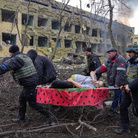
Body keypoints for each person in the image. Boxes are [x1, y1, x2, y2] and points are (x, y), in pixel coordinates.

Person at [0, 45, 54, 125]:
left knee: (32, 103)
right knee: (22, 98)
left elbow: (4, 67)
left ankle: (49, 116)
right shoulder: (24, 56)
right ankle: (21, 118)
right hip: (31, 82)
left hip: (29, 83)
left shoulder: (15, 59)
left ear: (11, 53)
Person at [91, 47, 127, 117]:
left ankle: (113, 109)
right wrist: (96, 71)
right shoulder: (109, 60)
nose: (108, 55)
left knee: (117, 95)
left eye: (110, 53)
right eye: (108, 53)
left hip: (120, 82)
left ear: (114, 52)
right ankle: (122, 106)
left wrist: (118, 83)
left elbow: (121, 73)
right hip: (112, 81)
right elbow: (103, 67)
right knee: (120, 95)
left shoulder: (120, 59)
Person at [114, 45, 138, 134]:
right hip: (126, 89)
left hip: (136, 90)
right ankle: (125, 128)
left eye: (130, 52)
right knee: (123, 106)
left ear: (136, 52)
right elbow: (126, 75)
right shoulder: (128, 62)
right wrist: (123, 85)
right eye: (128, 52)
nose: (129, 54)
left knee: (136, 110)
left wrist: (130, 86)